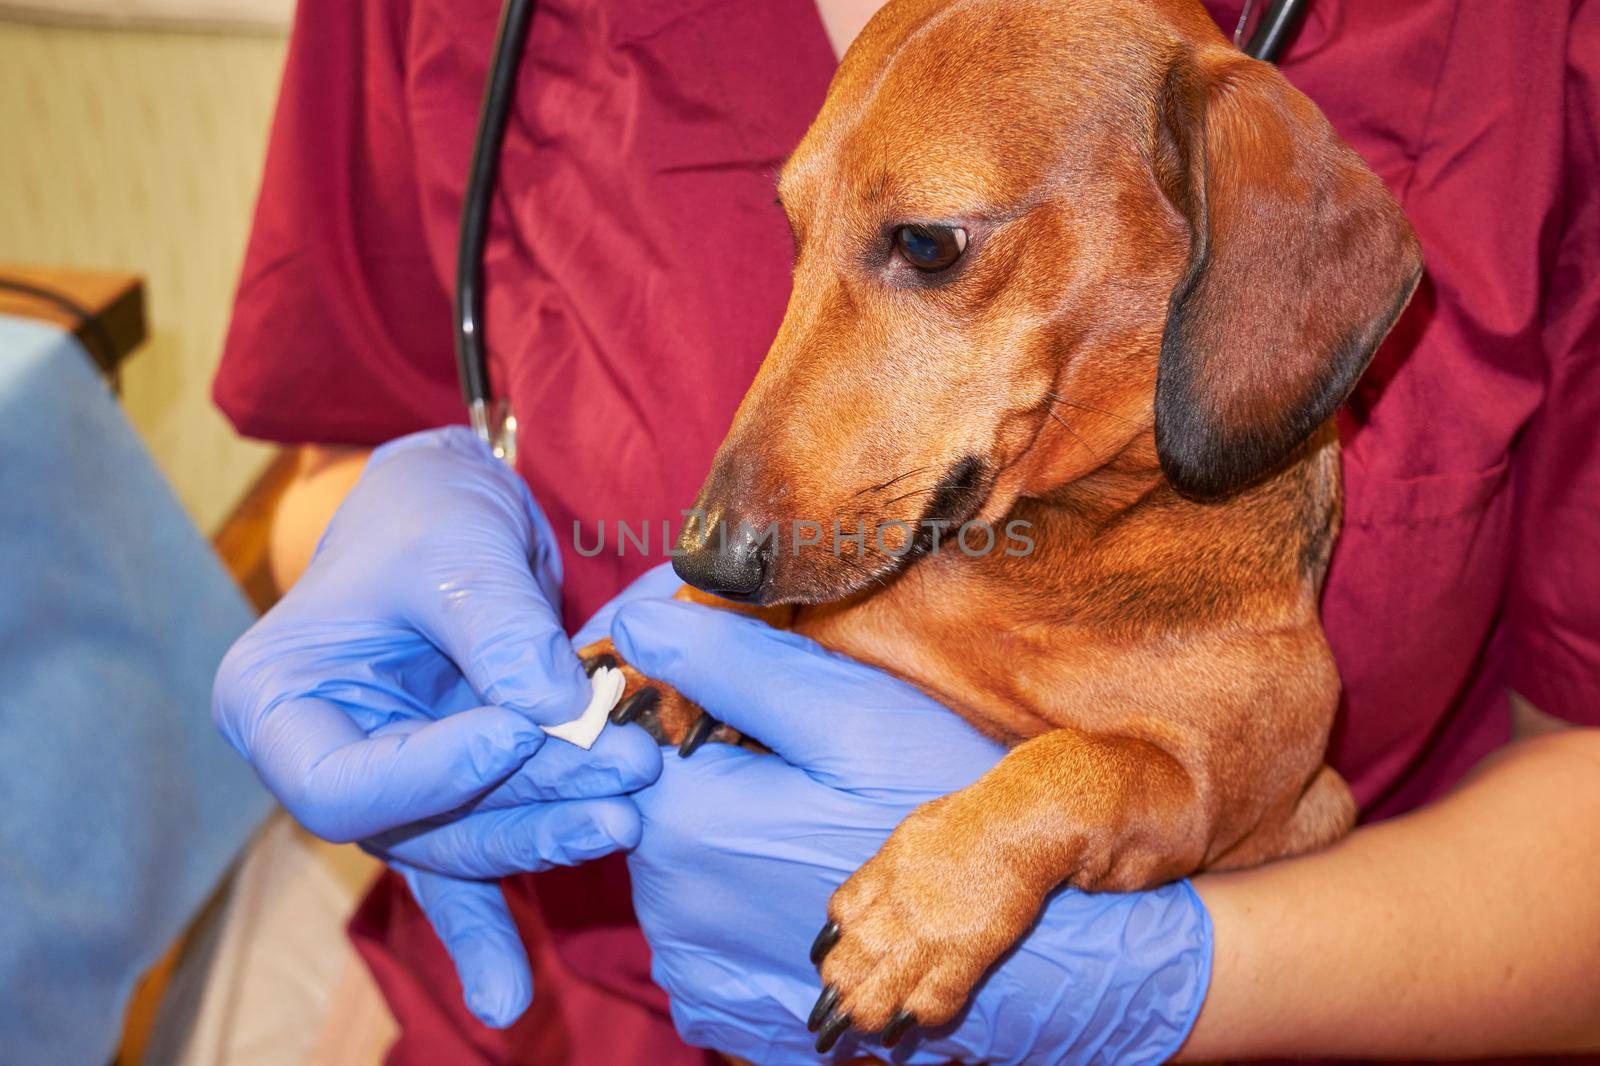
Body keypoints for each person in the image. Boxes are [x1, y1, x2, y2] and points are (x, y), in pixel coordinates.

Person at [211, 0, 1600, 1061]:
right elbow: (331, 454)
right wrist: (381, 569)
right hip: (564, 1020)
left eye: (927, 248)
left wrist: (1181, 977)